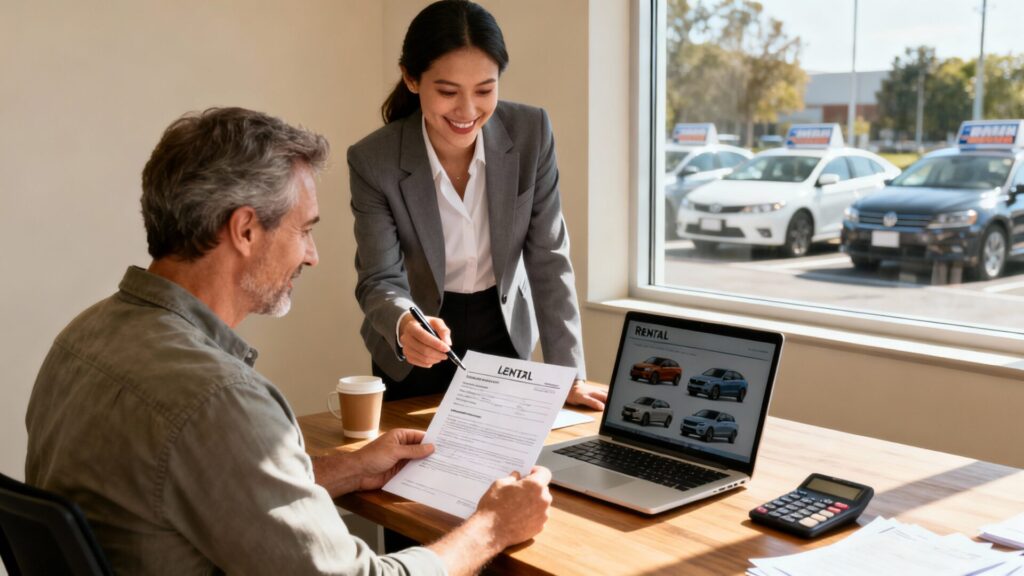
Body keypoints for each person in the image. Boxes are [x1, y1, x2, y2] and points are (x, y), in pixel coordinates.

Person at [24, 107, 552, 575]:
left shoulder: (80, 339)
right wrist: (491, 527)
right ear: (245, 230)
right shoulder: (218, 399)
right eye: (305, 230)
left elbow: (205, 491)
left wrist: (347, 468)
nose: (312, 255)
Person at [348, 0, 607, 410]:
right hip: (420, 339)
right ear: (412, 79)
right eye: (448, 92)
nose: (468, 111)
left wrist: (568, 376)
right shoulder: (373, 160)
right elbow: (379, 277)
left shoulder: (531, 133)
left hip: (502, 333)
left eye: (485, 90)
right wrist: (402, 324)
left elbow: (549, 259)